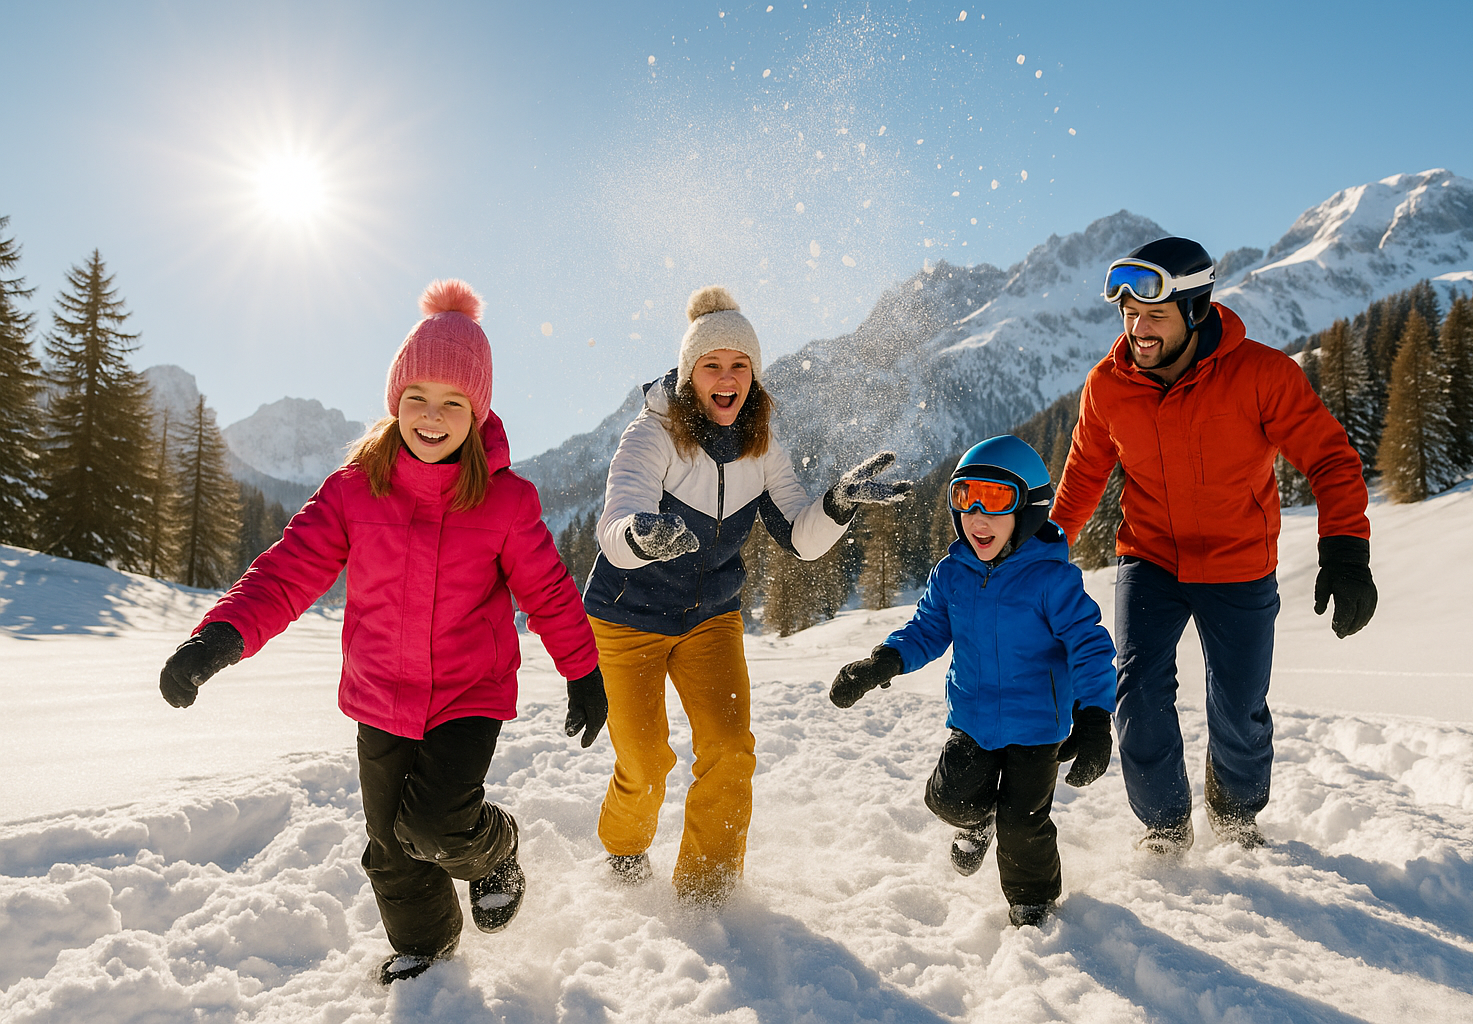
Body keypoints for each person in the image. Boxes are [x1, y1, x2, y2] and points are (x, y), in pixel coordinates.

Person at [157, 280, 606, 985]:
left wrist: (583, 670)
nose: (432, 415)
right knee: (391, 846)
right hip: (379, 696)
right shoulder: (353, 490)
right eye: (417, 396)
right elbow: (288, 570)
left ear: (477, 412)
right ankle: (428, 949)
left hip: (468, 693)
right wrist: (220, 637)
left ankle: (495, 851)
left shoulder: (505, 502)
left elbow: (547, 592)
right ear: (396, 402)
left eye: (453, 402)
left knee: (436, 826)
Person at [583, 285, 911, 904]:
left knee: (730, 751)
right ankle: (624, 850)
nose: (727, 377)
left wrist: (837, 503)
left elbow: (799, 538)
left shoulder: (762, 447)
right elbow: (614, 524)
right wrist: (641, 536)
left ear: (754, 376)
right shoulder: (651, 435)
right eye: (712, 364)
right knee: (646, 763)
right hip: (628, 617)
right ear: (689, 374)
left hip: (710, 618)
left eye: (740, 365)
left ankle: (707, 894)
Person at [1051, 237, 1377, 854]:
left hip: (1238, 564)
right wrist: (1042, 558)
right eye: (1129, 314)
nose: (1138, 330)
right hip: (1149, 558)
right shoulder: (1108, 386)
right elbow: (1082, 478)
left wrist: (1345, 551)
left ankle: (1234, 815)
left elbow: (1330, 459)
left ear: (1195, 308)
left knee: (1239, 707)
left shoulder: (1262, 375)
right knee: (1137, 691)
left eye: (1154, 315)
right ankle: (1165, 827)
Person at [829, 435, 1116, 928]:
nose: (978, 516)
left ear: (1028, 509)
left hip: (1037, 727)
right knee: (949, 799)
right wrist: (883, 663)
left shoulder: (1052, 580)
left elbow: (1088, 645)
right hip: (973, 719)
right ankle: (976, 823)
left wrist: (1093, 718)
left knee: (1022, 824)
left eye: (997, 499)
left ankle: (1032, 902)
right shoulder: (952, 574)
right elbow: (927, 630)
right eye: (965, 497)